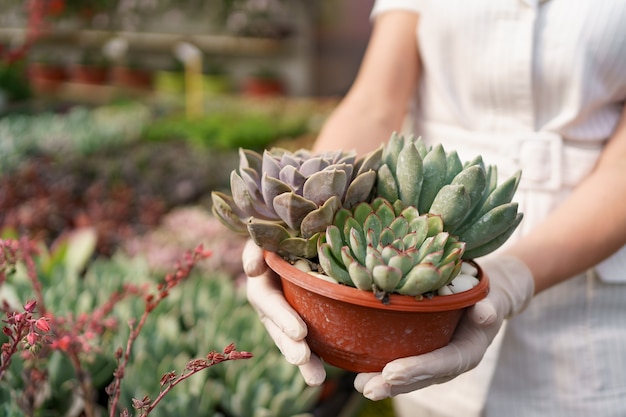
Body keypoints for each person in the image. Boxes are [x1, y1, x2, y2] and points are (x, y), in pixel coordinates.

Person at [243, 1, 626, 415]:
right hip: (418, 300)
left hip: (583, 315)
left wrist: (513, 279)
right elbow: (375, 102)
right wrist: (303, 219)